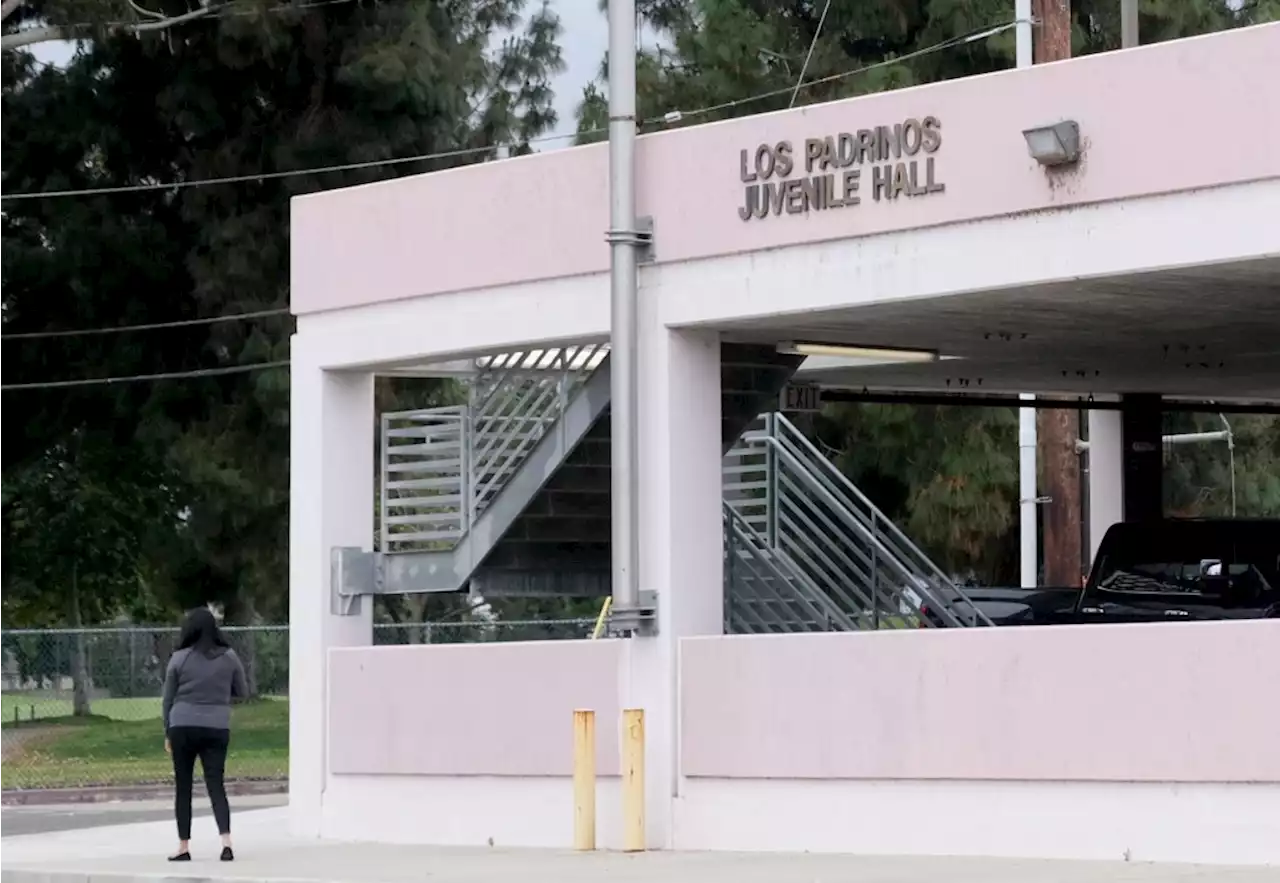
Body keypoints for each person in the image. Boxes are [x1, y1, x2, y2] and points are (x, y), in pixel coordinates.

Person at [161, 607, 247, 862]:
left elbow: (167, 700)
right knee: (216, 784)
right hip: (217, 726)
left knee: (183, 787)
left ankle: (184, 847)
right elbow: (242, 690)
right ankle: (226, 843)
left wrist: (167, 730)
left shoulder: (179, 658)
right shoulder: (230, 657)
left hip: (182, 726)